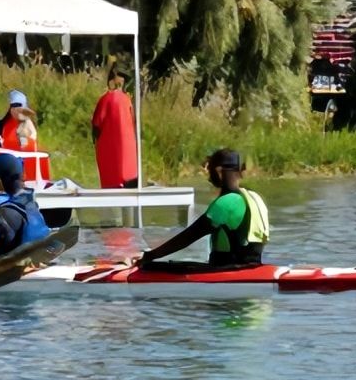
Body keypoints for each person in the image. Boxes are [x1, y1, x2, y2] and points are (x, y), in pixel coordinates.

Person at [136, 149, 269, 269]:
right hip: (252, 267)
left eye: (210, 171)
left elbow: (187, 237)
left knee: (153, 267)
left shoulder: (226, 203)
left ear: (218, 171)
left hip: (228, 269)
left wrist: (147, 256)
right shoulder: (254, 198)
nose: (209, 178)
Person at [91, 65, 139, 188]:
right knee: (129, 185)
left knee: (112, 184)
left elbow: (96, 124)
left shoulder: (105, 99)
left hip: (109, 150)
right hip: (129, 151)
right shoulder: (128, 101)